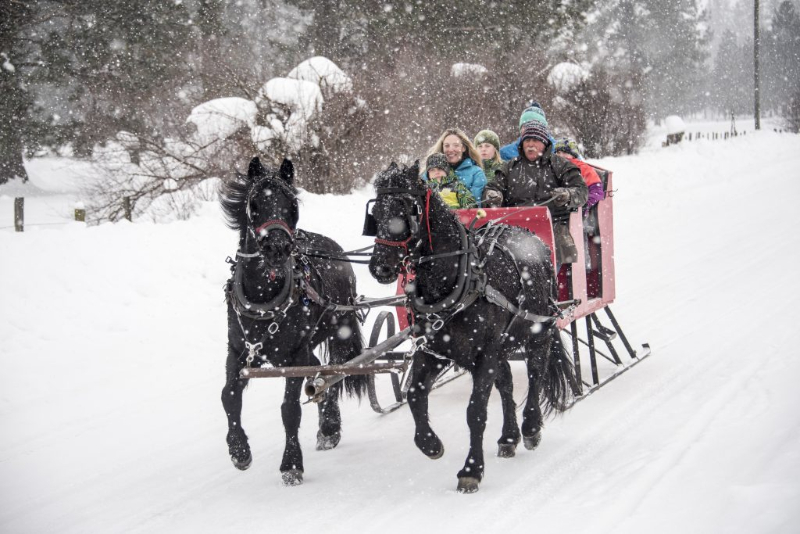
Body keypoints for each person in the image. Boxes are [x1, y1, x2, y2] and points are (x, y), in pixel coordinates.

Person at [483, 120, 588, 268]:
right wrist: (493, 195)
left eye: (535, 141)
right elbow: (492, 187)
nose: (530, 145)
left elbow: (582, 191)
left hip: (553, 228)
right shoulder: (510, 167)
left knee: (545, 278)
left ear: (545, 143)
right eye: (527, 141)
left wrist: (567, 194)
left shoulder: (560, 164)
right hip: (514, 230)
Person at [427, 128, 486, 204]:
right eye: (447, 146)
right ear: (442, 148)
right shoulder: (429, 171)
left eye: (456, 145)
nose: (451, 149)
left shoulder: (476, 173)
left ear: (463, 148)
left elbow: (475, 206)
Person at [553, 137, 605, 212]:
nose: (561, 156)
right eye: (558, 153)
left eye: (564, 153)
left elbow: (597, 191)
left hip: (575, 208)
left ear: (573, 155)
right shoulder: (553, 167)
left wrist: (583, 205)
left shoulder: (583, 169)